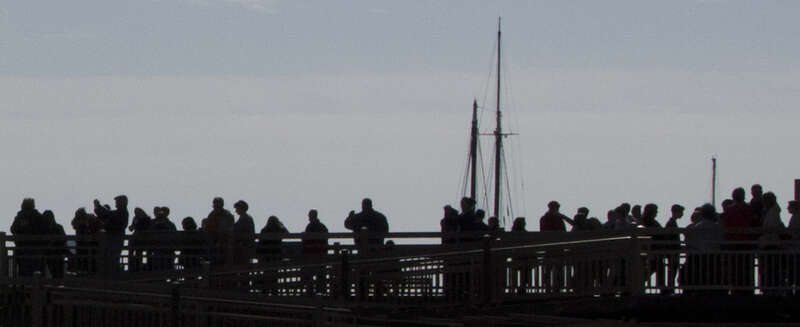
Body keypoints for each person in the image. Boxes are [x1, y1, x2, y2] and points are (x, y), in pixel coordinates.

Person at [94, 195, 129, 276]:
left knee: (112, 258)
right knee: (110, 258)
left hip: (115, 239)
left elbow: (108, 214)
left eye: (117, 201)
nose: (116, 203)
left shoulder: (122, 212)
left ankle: (112, 275)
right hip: (113, 239)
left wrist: (98, 206)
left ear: (122, 202)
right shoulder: (120, 212)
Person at [10, 198, 44, 277]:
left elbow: (13, 229)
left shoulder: (23, 216)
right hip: (28, 249)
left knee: (27, 271)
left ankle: (24, 286)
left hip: (28, 249)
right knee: (30, 271)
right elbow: (13, 229)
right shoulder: (36, 216)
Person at [202, 197, 235, 266]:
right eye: (215, 205)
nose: (216, 206)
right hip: (213, 243)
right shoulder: (211, 215)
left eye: (218, 205)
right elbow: (208, 228)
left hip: (225, 243)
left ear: (222, 205)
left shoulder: (227, 215)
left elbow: (229, 228)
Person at [149, 206, 177, 271]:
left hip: (167, 249)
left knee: (167, 266)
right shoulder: (153, 222)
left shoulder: (170, 224)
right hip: (157, 249)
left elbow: (174, 235)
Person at [128, 207, 151, 272]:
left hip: (142, 238)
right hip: (135, 237)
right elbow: (132, 228)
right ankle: (131, 267)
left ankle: (138, 267)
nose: (136, 213)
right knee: (131, 253)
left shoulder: (146, 219)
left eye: (137, 212)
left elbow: (145, 228)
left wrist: (136, 225)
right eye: (135, 212)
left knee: (139, 253)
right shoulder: (135, 218)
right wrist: (131, 227)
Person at [233, 200, 256, 265]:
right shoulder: (245, 217)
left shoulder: (245, 218)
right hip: (246, 244)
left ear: (241, 209)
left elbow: (237, 230)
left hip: (245, 245)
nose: (236, 210)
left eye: (237, 208)